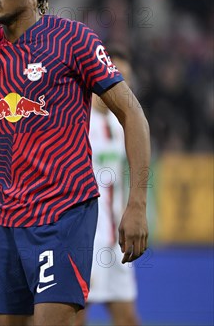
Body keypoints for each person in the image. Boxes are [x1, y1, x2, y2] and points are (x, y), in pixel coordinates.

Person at [0, 0, 150, 326]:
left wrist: (136, 203)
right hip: (6, 220)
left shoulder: (72, 38)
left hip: (63, 213)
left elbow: (132, 114)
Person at [76, 47, 141, 326]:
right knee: (77, 316)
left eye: (126, 78)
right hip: (86, 238)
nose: (121, 85)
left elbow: (121, 177)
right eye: (117, 75)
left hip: (116, 241)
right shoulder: (79, 120)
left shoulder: (123, 123)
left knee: (127, 317)